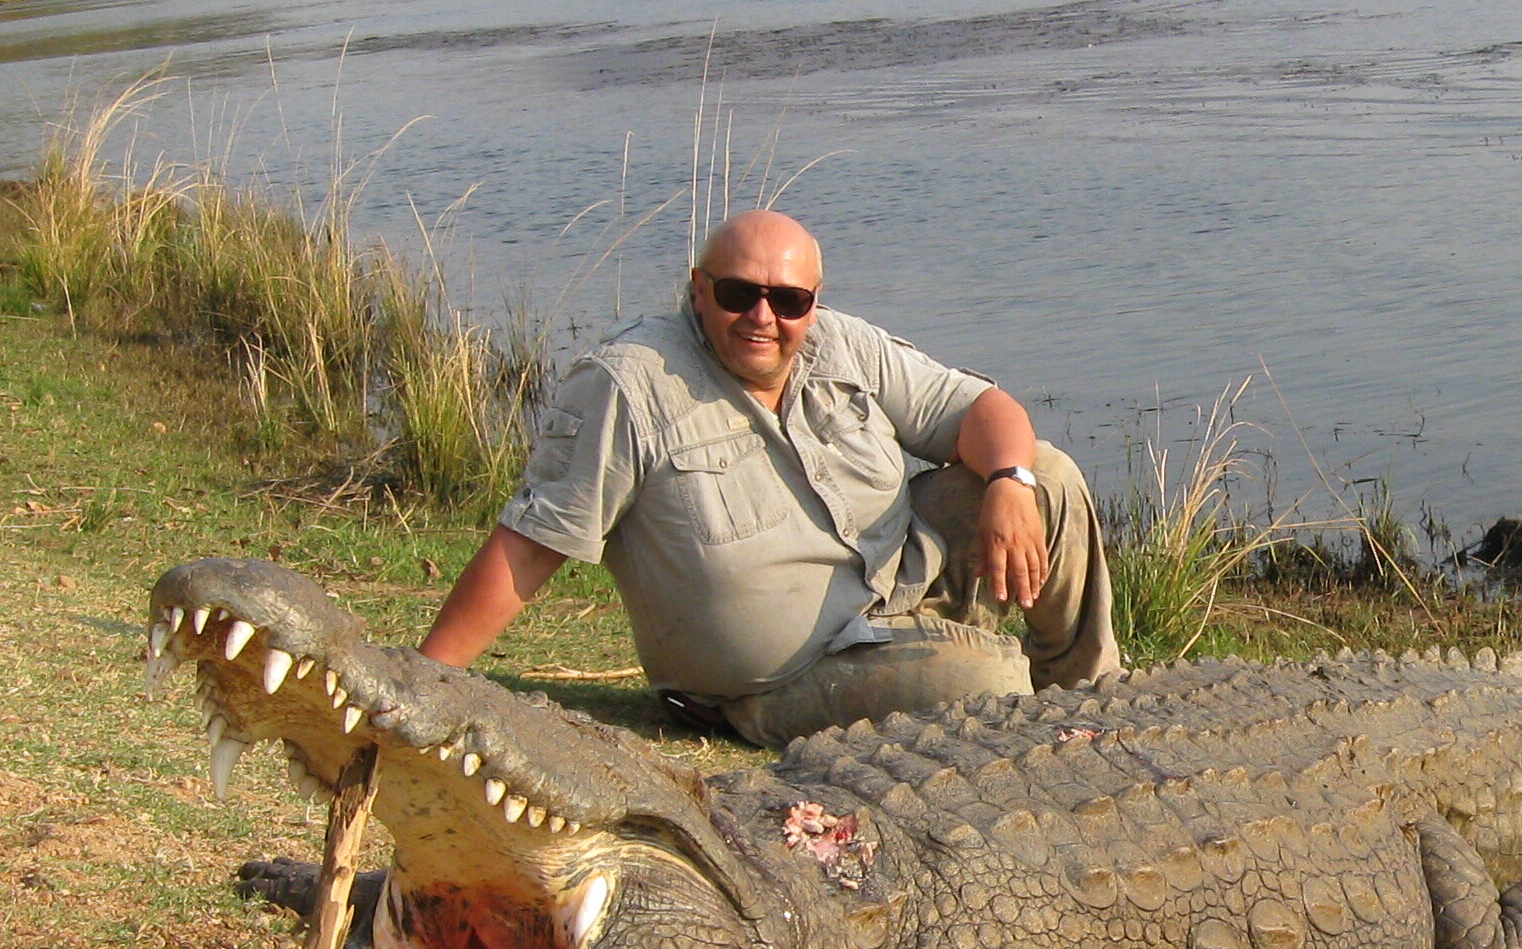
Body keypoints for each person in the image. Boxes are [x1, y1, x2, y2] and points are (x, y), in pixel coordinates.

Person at [419, 209, 1117, 744]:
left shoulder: (842, 343)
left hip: (892, 591)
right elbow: (529, 546)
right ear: (699, 290)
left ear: (812, 301)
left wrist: (1010, 481)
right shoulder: (625, 386)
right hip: (780, 679)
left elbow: (979, 408)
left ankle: (1099, 711)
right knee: (990, 681)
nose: (763, 316)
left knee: (1045, 475)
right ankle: (1032, 722)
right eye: (738, 293)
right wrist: (418, 686)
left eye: (787, 300)